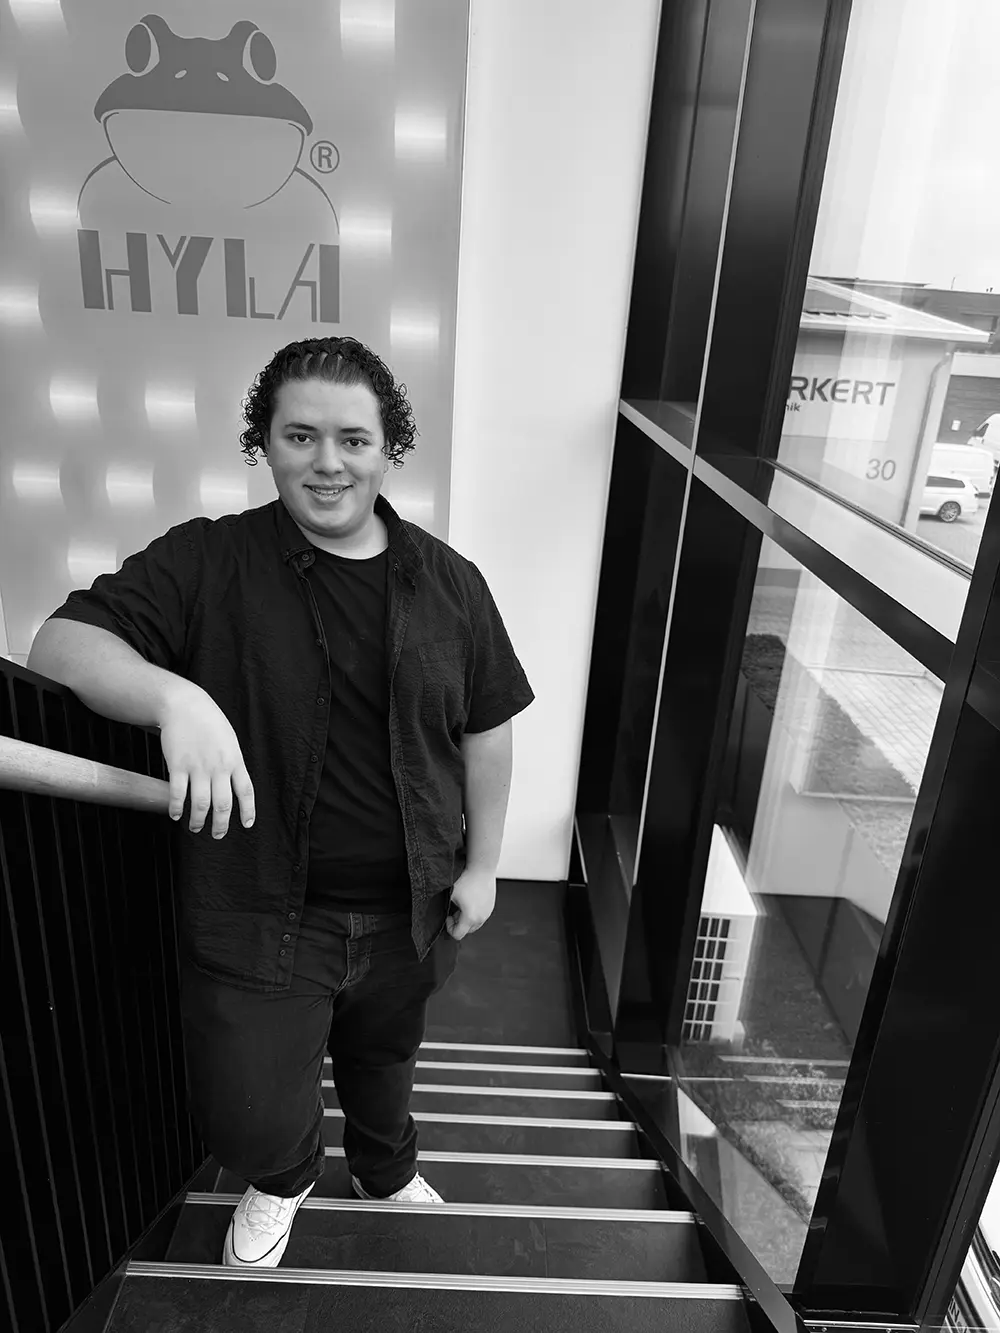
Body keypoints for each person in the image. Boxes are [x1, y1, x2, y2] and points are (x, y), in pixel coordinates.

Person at [28, 336, 535, 1269]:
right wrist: (174, 698)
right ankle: (286, 1172)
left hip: (412, 905)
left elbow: (487, 728)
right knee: (250, 1108)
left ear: (389, 449)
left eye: (353, 439)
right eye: (300, 436)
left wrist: (485, 864)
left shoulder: (452, 582)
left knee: (385, 1057)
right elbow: (61, 644)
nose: (327, 462)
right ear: (263, 441)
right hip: (262, 909)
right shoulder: (208, 560)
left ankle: (385, 1168)